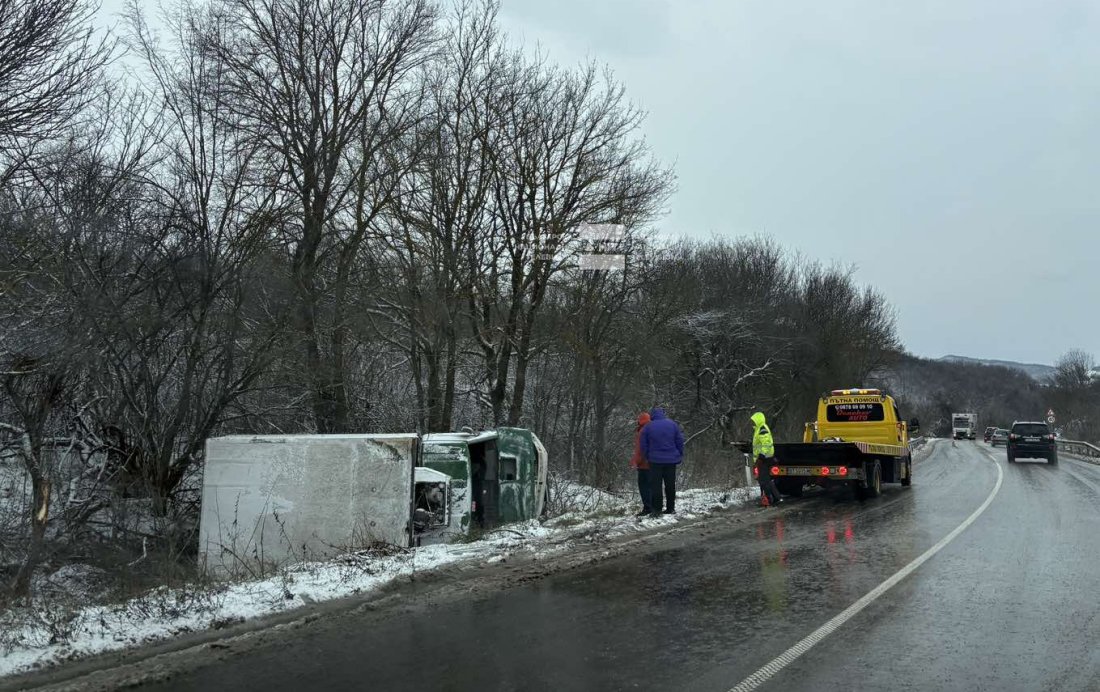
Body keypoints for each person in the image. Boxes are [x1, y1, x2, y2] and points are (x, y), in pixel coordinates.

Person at [641, 407, 685, 515]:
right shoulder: (672, 424)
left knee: (656, 486)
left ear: (652, 415)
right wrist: (679, 453)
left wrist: (647, 456)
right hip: (671, 460)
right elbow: (679, 440)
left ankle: (657, 509)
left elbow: (643, 444)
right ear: (663, 414)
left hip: (655, 461)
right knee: (670, 485)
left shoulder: (648, 427)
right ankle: (670, 508)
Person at [752, 411, 782, 507]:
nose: (752, 423)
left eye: (754, 421)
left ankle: (771, 499)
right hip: (764, 458)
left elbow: (766, 443)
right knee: (765, 480)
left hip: (764, 459)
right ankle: (776, 498)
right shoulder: (759, 429)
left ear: (758, 420)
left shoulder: (762, 429)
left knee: (764, 480)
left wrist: (761, 455)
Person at [630, 411, 653, 516]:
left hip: (644, 464)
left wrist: (635, 462)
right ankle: (655, 506)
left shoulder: (642, 431)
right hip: (655, 462)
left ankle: (648, 508)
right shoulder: (654, 429)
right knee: (652, 486)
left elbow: (640, 449)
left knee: (644, 486)